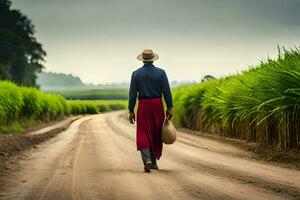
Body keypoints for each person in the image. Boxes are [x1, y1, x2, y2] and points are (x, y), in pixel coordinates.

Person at [128, 49, 173, 173]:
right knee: (156, 133)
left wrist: (131, 110)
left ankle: (147, 160)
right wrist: (169, 107)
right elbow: (167, 92)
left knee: (143, 132)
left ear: (142, 59)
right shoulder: (161, 73)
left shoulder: (136, 74)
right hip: (157, 105)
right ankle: (153, 163)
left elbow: (132, 94)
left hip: (143, 106)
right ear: (153, 59)